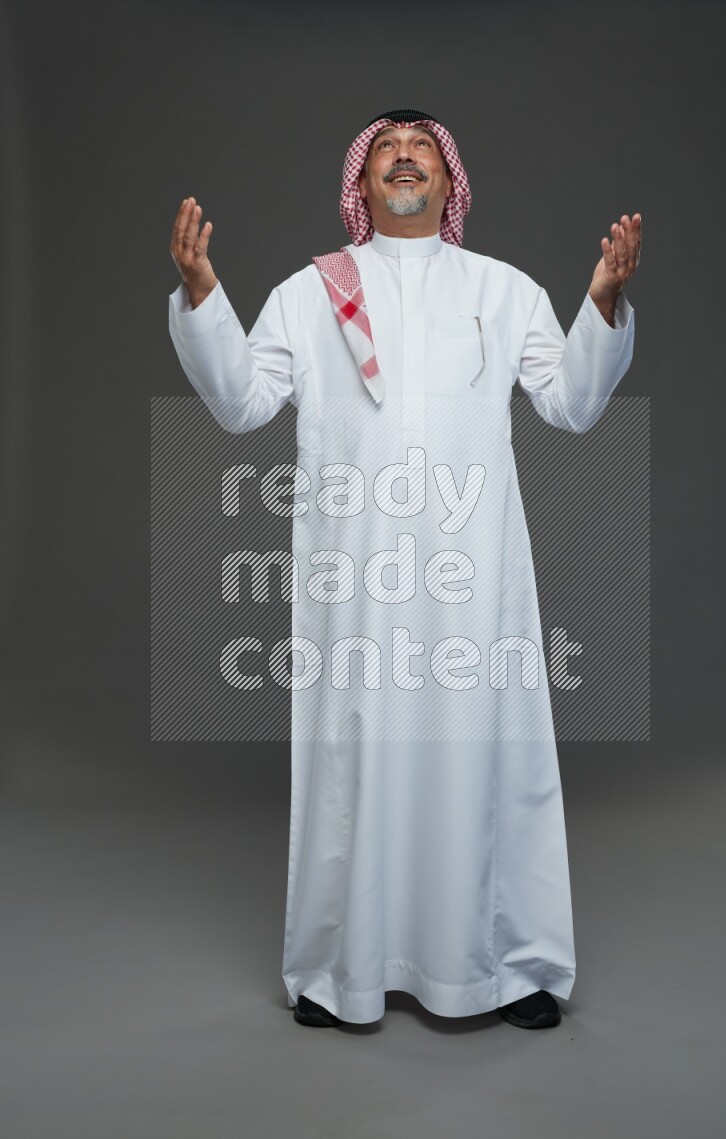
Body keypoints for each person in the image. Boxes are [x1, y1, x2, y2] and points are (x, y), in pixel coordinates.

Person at [167, 108, 642, 1030]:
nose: (405, 158)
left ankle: (511, 966)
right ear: (363, 180)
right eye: (387, 148)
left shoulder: (501, 291)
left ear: (450, 180)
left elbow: (573, 404)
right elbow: (242, 402)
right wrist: (201, 295)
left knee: (490, 754)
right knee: (356, 758)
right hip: (358, 585)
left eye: (421, 147)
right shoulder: (314, 293)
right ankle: (342, 968)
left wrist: (604, 306)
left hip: (475, 578)